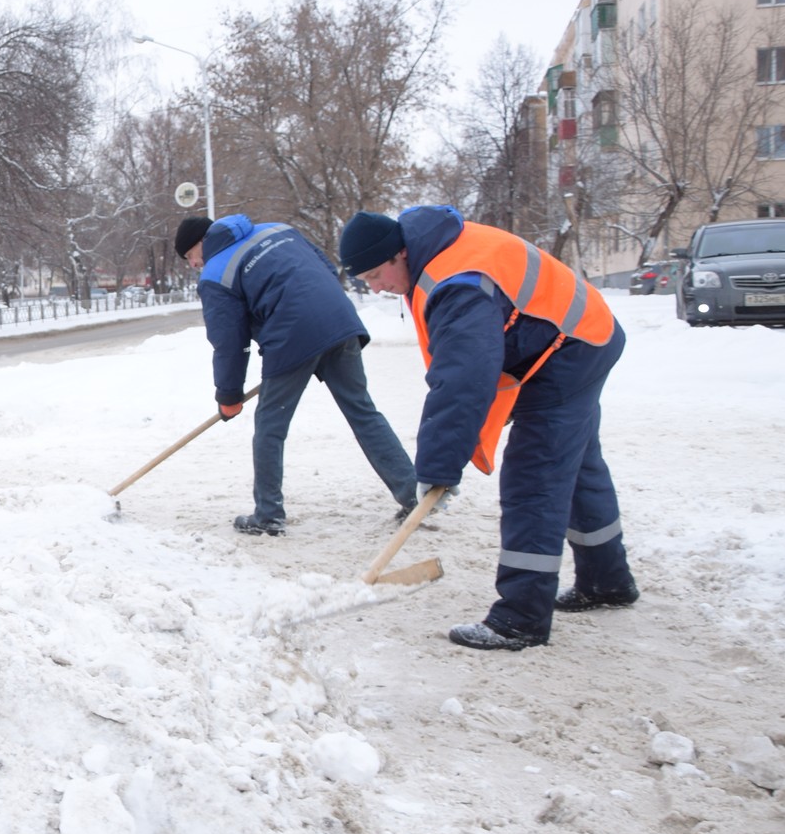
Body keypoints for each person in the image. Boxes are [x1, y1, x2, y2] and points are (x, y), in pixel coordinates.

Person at [338, 206, 638, 653]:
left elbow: (462, 381)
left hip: (569, 349)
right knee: (575, 464)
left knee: (534, 474)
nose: (378, 287)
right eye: (367, 281)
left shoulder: (458, 285)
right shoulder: (436, 254)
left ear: (401, 254)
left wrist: (438, 467)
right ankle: (606, 581)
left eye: (378, 274)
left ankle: (521, 618)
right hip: (575, 335)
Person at [176, 214, 417, 536]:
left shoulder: (216, 273)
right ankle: (414, 495)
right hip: (339, 321)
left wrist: (229, 395)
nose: (194, 265)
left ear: (201, 243)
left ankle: (268, 515)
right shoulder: (278, 229)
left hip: (291, 337)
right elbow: (326, 270)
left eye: (190, 257)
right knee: (363, 411)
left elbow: (229, 343)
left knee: (270, 428)